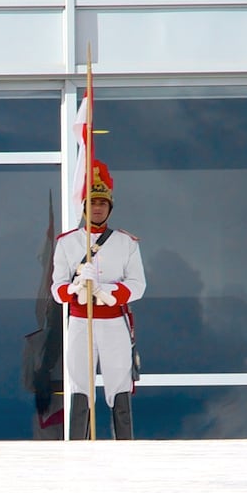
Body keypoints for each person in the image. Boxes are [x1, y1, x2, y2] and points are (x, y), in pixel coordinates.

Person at [51, 160, 145, 440]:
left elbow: (138, 285)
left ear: (110, 208)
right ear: (84, 206)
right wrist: (77, 287)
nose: (98, 208)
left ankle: (124, 445)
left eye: (103, 203)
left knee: (119, 385)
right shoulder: (67, 243)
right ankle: (77, 447)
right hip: (81, 321)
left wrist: (108, 291)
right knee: (80, 385)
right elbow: (57, 290)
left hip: (113, 322)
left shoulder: (126, 243)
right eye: (93, 202)